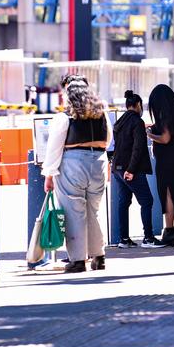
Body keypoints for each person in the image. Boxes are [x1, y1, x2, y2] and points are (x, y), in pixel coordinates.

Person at [42, 75, 112, 273]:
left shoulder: (64, 117)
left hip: (73, 163)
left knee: (74, 213)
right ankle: (99, 256)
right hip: (98, 161)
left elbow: (54, 148)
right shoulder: (102, 114)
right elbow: (108, 139)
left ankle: (78, 260)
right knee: (94, 211)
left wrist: (49, 174)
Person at [112, 90, 165, 249]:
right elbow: (138, 148)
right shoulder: (137, 122)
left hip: (117, 168)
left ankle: (124, 239)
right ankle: (148, 238)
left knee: (124, 202)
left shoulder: (119, 121)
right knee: (147, 201)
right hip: (130, 169)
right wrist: (131, 169)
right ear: (138, 105)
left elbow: (115, 145)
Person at [147, 84, 174, 247]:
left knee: (167, 194)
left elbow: (164, 138)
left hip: (166, 157)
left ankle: (169, 231)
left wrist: (150, 134)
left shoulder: (163, 115)